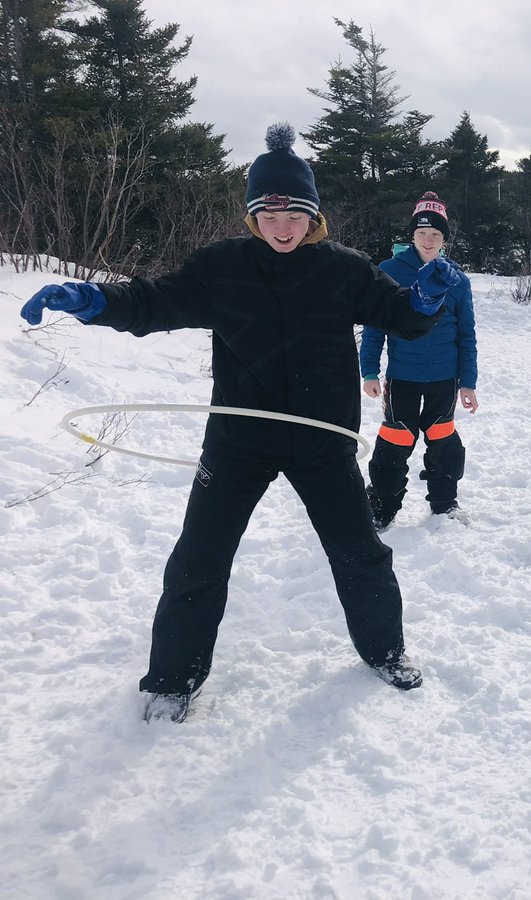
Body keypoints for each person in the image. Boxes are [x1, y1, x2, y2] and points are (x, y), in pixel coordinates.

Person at [19, 123, 460, 722]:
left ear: (314, 216)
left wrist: (426, 300)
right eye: (269, 212)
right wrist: (98, 303)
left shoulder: (344, 270)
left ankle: (385, 650)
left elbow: (400, 318)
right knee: (199, 558)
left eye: (295, 212)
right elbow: (153, 302)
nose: (283, 225)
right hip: (237, 439)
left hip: (322, 440)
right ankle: (173, 680)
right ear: (253, 216)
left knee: (359, 551)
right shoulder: (220, 267)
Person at [359, 191, 478, 529]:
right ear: (411, 236)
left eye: (435, 234)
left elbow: (466, 334)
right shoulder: (388, 271)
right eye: (422, 233)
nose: (428, 240)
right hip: (403, 378)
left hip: (444, 378)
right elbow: (374, 327)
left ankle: (444, 505)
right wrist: (369, 370)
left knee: (443, 441)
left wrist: (468, 382)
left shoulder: (456, 279)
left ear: (444, 239)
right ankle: (381, 507)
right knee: (395, 441)